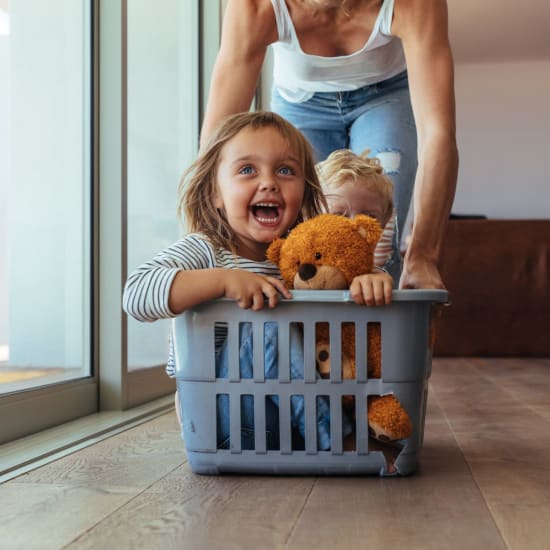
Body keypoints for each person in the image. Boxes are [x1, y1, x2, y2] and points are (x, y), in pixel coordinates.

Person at [122, 111, 392, 451]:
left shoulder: (300, 258)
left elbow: (342, 281)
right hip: (226, 420)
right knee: (265, 322)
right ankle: (336, 438)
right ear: (215, 194)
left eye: (285, 170)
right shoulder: (206, 250)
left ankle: (339, 427)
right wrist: (224, 281)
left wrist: (372, 278)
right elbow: (136, 293)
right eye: (247, 170)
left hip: (291, 426)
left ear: (305, 192)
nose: (269, 182)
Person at [200, 0, 459, 291]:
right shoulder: (255, 6)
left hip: (386, 95)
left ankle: (373, 333)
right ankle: (306, 335)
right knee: (295, 236)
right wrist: (204, 248)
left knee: (378, 234)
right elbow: (216, 146)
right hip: (301, 101)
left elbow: (438, 135)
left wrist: (422, 256)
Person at [316, 148, 396, 271]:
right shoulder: (297, 266)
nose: (354, 227)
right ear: (310, 218)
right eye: (338, 216)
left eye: (369, 217)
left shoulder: (376, 276)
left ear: (383, 227)